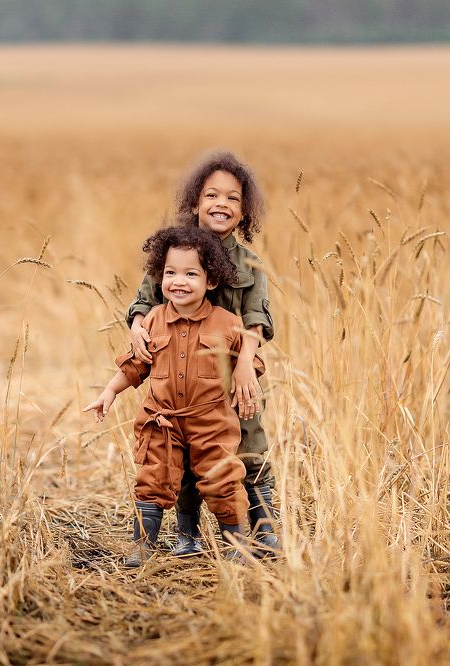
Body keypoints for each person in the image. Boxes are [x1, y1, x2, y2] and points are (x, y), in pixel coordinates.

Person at [125, 151, 280, 558]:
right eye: (212, 194)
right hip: (182, 372)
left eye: (232, 198)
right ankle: (188, 533)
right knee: (181, 451)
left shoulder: (250, 264)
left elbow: (255, 320)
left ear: (244, 211)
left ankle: (262, 528)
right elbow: (145, 299)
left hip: (233, 369)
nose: (221, 204)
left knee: (248, 439)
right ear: (195, 201)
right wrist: (137, 327)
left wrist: (244, 365)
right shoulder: (176, 250)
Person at [84, 225, 260, 566]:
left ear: (211, 281)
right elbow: (135, 365)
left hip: (211, 421)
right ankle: (142, 545)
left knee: (223, 477)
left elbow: (247, 367)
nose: (178, 281)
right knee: (153, 477)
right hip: (160, 420)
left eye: (190, 274)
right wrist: (109, 392)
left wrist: (246, 381)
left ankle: (236, 545)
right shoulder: (152, 320)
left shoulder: (226, 324)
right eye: (170, 273)